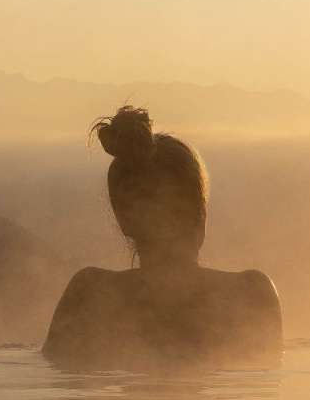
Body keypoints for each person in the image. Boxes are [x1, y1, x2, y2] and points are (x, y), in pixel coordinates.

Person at [43, 106, 282, 370]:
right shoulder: (250, 295)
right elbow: (264, 396)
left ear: (124, 219)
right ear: (200, 213)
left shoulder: (90, 295)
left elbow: (56, 386)